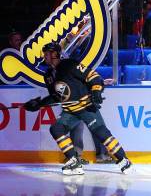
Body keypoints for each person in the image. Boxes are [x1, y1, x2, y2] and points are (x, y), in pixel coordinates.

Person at [23, 43, 132, 176]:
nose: (44, 57)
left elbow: (93, 76)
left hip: (86, 107)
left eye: (46, 54)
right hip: (70, 111)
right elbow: (57, 96)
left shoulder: (69, 65)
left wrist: (96, 91)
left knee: (101, 133)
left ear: (55, 54)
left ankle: (124, 160)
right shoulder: (48, 75)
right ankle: (73, 161)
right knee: (56, 129)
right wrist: (39, 104)